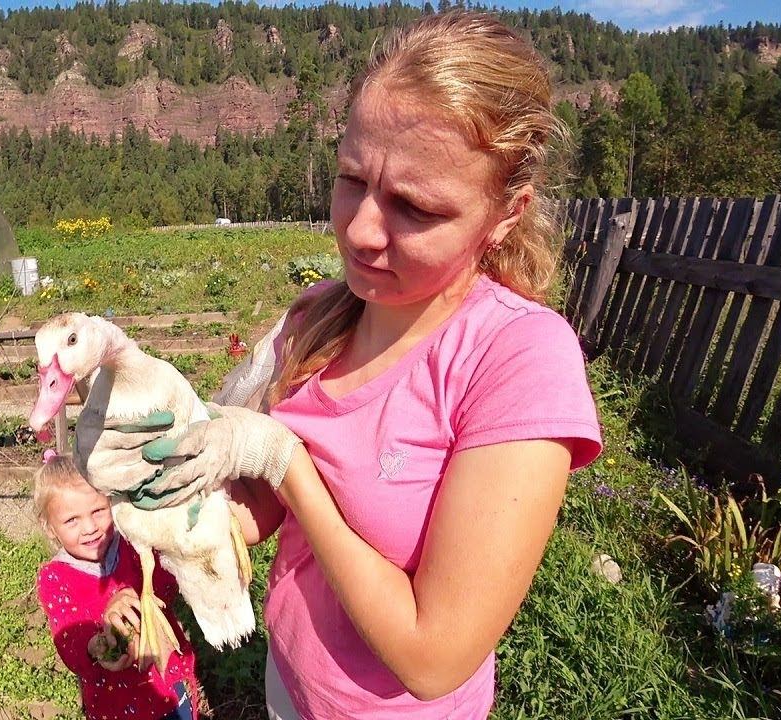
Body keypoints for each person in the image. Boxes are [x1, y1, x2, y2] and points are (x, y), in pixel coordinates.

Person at [80, 10, 602, 719]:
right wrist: (170, 493)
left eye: (414, 207)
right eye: (352, 178)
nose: (359, 230)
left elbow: (433, 658)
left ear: (505, 214)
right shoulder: (319, 317)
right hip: (290, 687)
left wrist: (284, 461)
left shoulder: (516, 359)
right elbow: (262, 511)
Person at [33, 453, 199, 720]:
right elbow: (69, 640)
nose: (89, 528)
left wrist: (145, 589)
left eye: (98, 511)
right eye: (72, 520)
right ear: (50, 527)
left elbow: (168, 587)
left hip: (167, 686)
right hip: (114, 707)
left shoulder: (134, 545)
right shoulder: (55, 578)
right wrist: (98, 644)